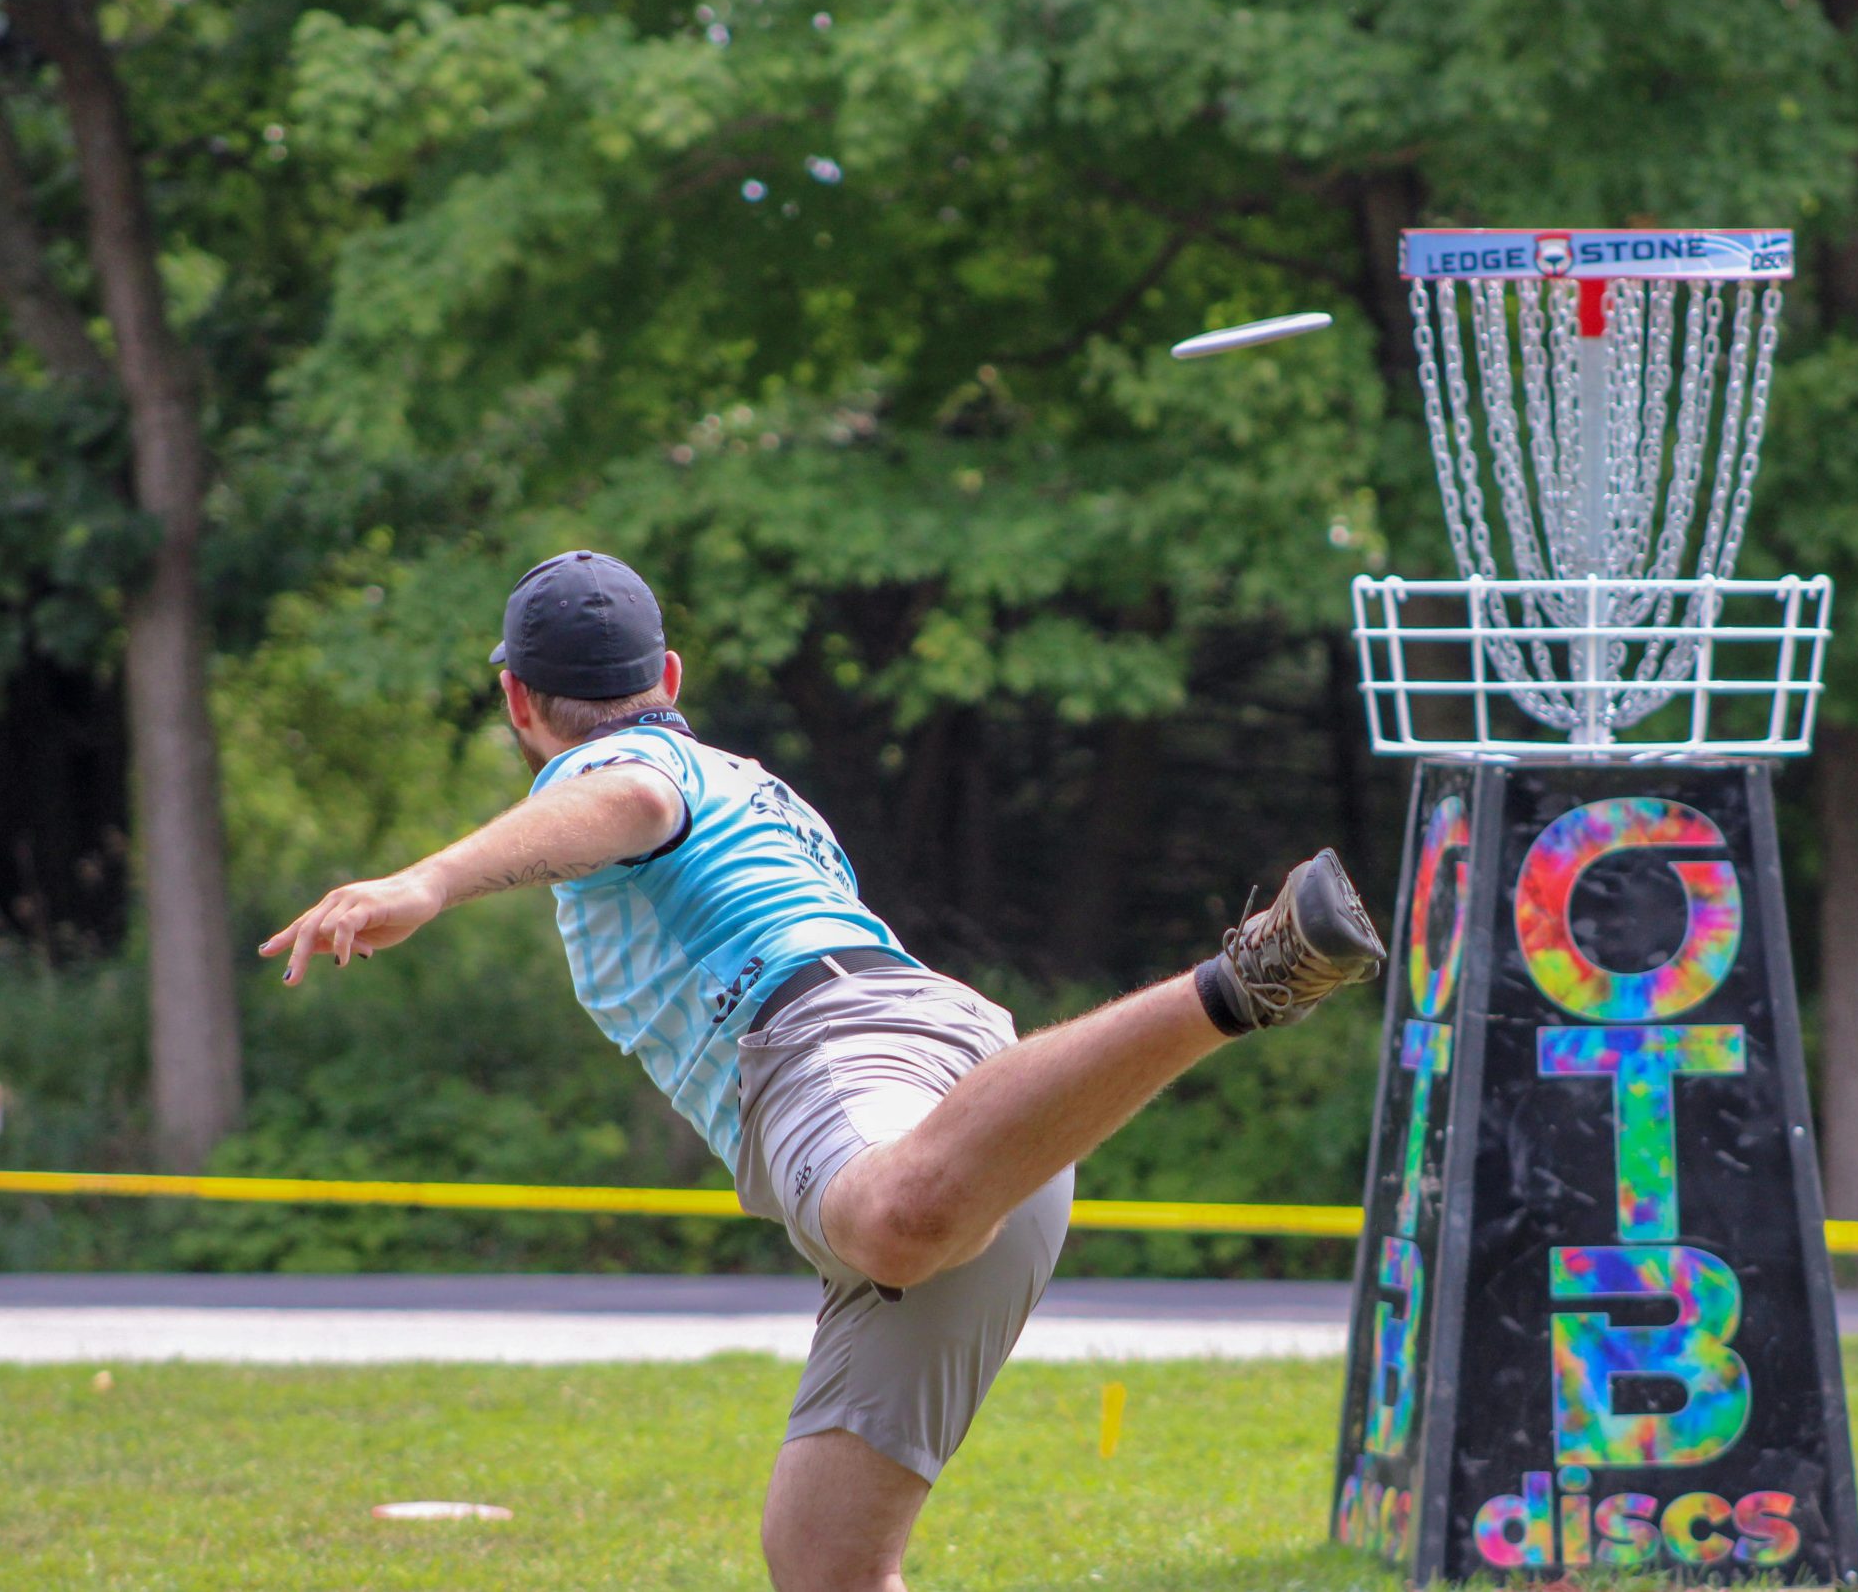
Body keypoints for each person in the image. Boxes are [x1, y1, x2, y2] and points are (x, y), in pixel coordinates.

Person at [260, 550, 1386, 1592]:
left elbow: (628, 802)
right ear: (667, 670)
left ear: (516, 701)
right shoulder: (747, 779)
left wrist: (426, 885)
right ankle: (1221, 997)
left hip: (841, 1053)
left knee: (892, 1217)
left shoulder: (630, 763)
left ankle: (1242, 984)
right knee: (824, 1559)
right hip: (966, 1106)